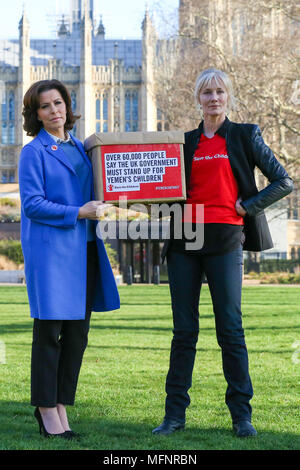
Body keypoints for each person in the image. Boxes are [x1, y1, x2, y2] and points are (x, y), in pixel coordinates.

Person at [152, 68, 293, 438]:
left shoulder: (245, 135)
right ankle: (174, 416)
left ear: (227, 96)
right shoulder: (183, 142)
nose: (213, 98)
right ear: (197, 98)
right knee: (184, 331)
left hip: (226, 236)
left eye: (219, 92)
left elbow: (283, 181)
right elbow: (162, 187)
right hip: (184, 238)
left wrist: (248, 206)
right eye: (206, 93)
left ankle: (241, 416)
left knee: (230, 329)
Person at [19, 79, 120, 439]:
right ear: (37, 114)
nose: (54, 111)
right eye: (45, 107)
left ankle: (60, 403)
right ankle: (46, 410)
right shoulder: (33, 152)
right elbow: (32, 204)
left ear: (68, 105)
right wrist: (79, 211)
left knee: (77, 337)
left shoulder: (80, 147)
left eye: (58, 103)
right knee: (50, 333)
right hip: (52, 254)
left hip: (85, 250)